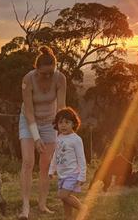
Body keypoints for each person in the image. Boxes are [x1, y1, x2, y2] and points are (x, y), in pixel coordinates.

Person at [19, 46, 67, 219]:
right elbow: (29, 112)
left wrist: (64, 132)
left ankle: (42, 204)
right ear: (36, 68)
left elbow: (61, 107)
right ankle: (25, 206)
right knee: (28, 162)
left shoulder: (60, 78)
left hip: (50, 122)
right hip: (29, 121)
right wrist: (36, 137)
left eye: (51, 73)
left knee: (45, 165)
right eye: (44, 73)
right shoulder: (28, 79)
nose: (47, 76)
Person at [49, 107, 87, 220]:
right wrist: (51, 169)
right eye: (60, 122)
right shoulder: (59, 138)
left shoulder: (76, 139)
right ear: (56, 124)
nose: (63, 125)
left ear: (73, 123)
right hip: (62, 174)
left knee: (63, 195)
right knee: (65, 199)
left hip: (72, 174)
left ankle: (82, 208)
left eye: (67, 122)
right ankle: (68, 217)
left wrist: (82, 176)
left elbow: (81, 158)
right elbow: (56, 155)